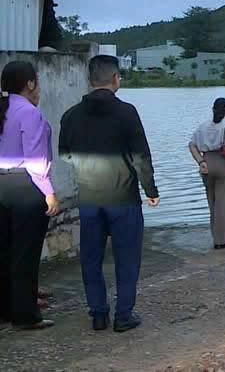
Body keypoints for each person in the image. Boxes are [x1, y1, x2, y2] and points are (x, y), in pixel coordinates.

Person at [59, 55, 160, 333]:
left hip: (90, 198)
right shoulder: (127, 112)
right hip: (123, 198)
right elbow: (140, 157)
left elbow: (65, 155)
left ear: (90, 81)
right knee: (126, 258)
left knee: (91, 258)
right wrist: (151, 190)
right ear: (116, 79)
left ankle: (99, 314)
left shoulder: (70, 115)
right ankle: (123, 314)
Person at [0, 61, 60, 330]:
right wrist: (49, 193)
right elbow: (36, 160)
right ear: (30, 84)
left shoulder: (4, 110)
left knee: (4, 251)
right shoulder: (30, 113)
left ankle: (7, 308)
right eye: (38, 81)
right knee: (25, 254)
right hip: (24, 186)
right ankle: (25, 314)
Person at [188, 98, 225, 250]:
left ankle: (215, 237)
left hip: (207, 163)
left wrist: (200, 161)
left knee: (212, 203)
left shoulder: (203, 126)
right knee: (224, 202)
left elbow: (191, 145)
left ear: (212, 109)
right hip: (223, 163)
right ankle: (221, 240)